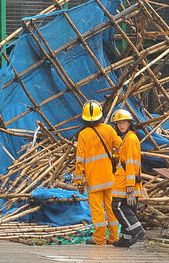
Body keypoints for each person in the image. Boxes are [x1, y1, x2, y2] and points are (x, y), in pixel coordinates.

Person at [74, 100, 121, 245]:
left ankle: (99, 239)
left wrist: (79, 181)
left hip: (94, 180)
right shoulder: (109, 130)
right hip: (109, 178)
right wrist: (115, 159)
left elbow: (80, 160)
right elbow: (120, 147)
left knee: (97, 210)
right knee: (112, 209)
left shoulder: (83, 134)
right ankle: (114, 237)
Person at [110, 107, 146, 248]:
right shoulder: (127, 139)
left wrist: (130, 184)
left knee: (118, 207)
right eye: (119, 123)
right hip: (126, 181)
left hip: (126, 183)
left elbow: (130, 163)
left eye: (124, 122)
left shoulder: (130, 139)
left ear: (129, 123)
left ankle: (137, 229)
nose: (121, 125)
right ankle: (126, 238)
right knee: (129, 209)